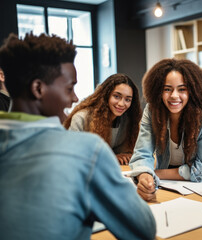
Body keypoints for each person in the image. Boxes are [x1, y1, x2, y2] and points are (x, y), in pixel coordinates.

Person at [0, 33, 155, 240]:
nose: (74, 98)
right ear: (38, 89)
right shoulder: (87, 151)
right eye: (69, 88)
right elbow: (143, 229)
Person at [129, 58, 202, 201]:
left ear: (193, 91)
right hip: (163, 186)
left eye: (182, 89)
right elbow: (142, 152)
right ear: (158, 91)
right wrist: (145, 178)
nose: (174, 96)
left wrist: (156, 173)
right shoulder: (152, 112)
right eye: (167, 89)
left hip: (197, 189)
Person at [63, 73, 141, 165]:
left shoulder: (127, 120)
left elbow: (123, 151)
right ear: (106, 95)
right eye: (116, 96)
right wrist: (111, 158)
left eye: (127, 100)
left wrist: (125, 155)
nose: (121, 103)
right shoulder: (81, 118)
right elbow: (72, 155)